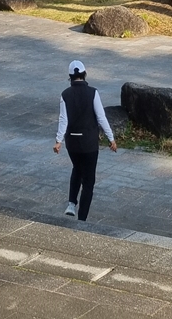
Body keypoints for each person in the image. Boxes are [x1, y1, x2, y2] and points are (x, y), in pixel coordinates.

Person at [54, 60, 117, 222]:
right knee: (88, 181)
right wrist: (111, 138)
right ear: (84, 74)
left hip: (72, 143)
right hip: (89, 143)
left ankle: (71, 203)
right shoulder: (93, 93)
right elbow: (101, 117)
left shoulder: (65, 94)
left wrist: (58, 140)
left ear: (70, 77)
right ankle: (82, 219)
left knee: (77, 168)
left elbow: (63, 119)